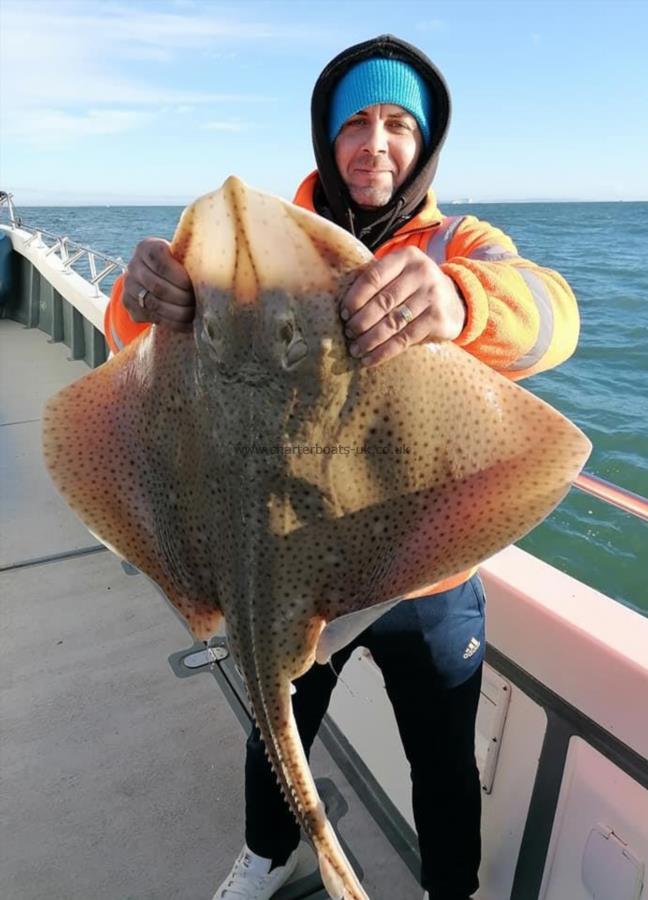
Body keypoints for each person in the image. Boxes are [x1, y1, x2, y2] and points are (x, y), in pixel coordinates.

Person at [104, 34, 579, 900]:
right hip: (269, 560)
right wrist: (136, 301)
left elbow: (555, 317)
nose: (376, 143)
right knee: (274, 730)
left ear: (425, 141)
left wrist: (462, 298)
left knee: (441, 757)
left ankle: (451, 891)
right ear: (328, 135)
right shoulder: (244, 252)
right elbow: (132, 359)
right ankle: (266, 856)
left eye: (399, 123)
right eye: (356, 121)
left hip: (422, 572)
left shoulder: (461, 245)